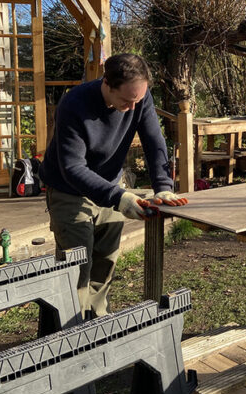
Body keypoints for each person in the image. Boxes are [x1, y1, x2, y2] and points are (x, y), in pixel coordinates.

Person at [40, 53, 186, 318]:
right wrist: (119, 197)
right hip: (69, 190)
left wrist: (163, 186)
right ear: (107, 83)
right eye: (126, 101)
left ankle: (97, 325)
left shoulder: (139, 98)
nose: (132, 108)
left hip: (109, 185)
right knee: (77, 270)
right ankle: (70, 336)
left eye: (138, 101)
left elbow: (154, 142)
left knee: (105, 263)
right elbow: (72, 167)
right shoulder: (74, 104)